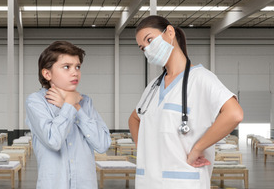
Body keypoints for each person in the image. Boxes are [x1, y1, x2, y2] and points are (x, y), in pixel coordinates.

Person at [128, 15, 243, 189]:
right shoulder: (153, 87)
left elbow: (234, 114)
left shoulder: (201, 78)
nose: (148, 50)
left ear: (170, 32)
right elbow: (134, 119)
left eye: (150, 40)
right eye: (143, 48)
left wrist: (197, 148)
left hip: (184, 180)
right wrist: (145, 150)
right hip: (148, 181)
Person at [25, 41, 111, 189]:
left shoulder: (85, 103)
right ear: (47, 73)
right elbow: (53, 141)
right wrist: (69, 105)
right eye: (66, 67)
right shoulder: (36, 102)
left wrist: (76, 108)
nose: (75, 72)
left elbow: (103, 144)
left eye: (77, 67)